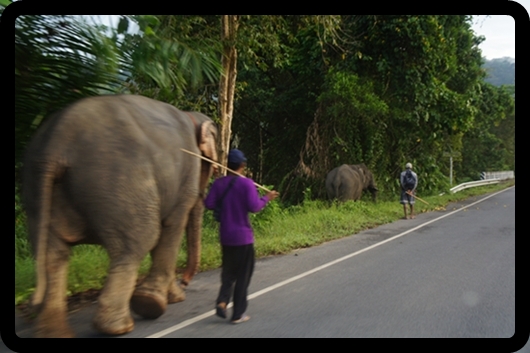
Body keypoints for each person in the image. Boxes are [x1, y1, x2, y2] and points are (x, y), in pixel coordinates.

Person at [204, 149, 279, 324]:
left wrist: (216, 185)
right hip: (243, 238)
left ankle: (222, 302)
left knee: (228, 273)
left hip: (226, 237)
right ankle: (238, 313)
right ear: (243, 165)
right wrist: (267, 198)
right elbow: (254, 207)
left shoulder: (219, 184)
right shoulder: (247, 184)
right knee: (243, 276)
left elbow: (209, 204)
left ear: (227, 164)